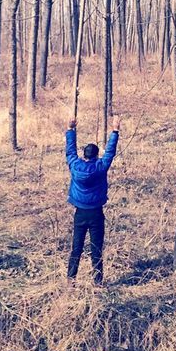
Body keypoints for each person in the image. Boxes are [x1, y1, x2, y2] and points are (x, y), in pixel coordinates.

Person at [65, 115, 120, 284]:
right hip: (96, 213)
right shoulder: (101, 167)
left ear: (84, 155)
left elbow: (70, 150)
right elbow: (110, 152)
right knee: (96, 249)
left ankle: (70, 280)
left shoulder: (74, 165)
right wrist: (115, 131)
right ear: (96, 155)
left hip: (80, 213)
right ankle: (97, 282)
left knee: (76, 248)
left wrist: (70, 129)